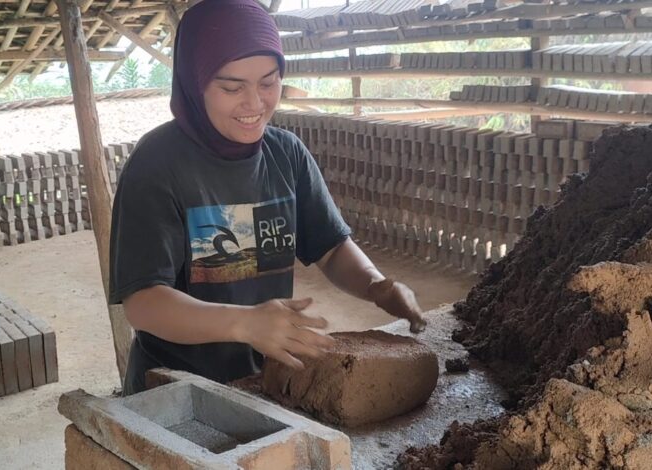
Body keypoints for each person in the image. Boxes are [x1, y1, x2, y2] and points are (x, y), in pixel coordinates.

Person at [109, 0, 426, 396]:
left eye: (268, 82)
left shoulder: (286, 153)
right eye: (232, 87)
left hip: (265, 381)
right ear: (195, 82)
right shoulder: (156, 165)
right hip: (174, 386)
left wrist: (376, 285)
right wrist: (244, 323)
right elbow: (143, 302)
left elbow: (330, 247)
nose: (255, 104)